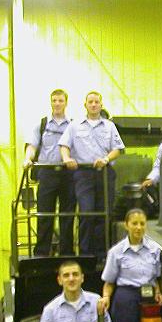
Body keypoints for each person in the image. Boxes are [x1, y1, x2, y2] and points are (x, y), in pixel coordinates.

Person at [59, 91, 125, 256]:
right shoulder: (74, 126)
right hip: (83, 174)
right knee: (87, 213)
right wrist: (66, 158)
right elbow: (64, 145)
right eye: (91, 102)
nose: (94, 104)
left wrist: (106, 159)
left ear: (101, 105)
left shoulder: (109, 126)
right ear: (85, 105)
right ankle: (85, 254)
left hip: (104, 173)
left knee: (104, 214)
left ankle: (102, 254)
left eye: (97, 102)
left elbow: (117, 149)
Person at [23, 88, 75, 256]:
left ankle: (67, 251)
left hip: (68, 174)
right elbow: (32, 145)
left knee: (67, 214)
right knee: (45, 213)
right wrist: (27, 158)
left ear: (66, 103)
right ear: (51, 102)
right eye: (54, 100)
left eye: (60, 100)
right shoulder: (42, 124)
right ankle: (42, 252)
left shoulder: (74, 125)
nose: (57, 103)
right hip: (46, 172)